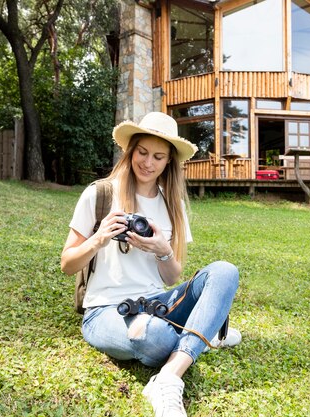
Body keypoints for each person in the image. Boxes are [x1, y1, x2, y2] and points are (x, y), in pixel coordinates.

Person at [60, 112, 241, 417]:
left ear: (169, 161)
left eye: (158, 157)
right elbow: (67, 264)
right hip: (105, 311)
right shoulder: (100, 193)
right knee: (157, 338)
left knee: (225, 271)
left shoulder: (173, 206)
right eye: (142, 153)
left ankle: (169, 377)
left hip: (157, 302)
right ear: (130, 151)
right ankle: (202, 334)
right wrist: (99, 238)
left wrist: (163, 250)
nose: (148, 163)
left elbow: (172, 276)